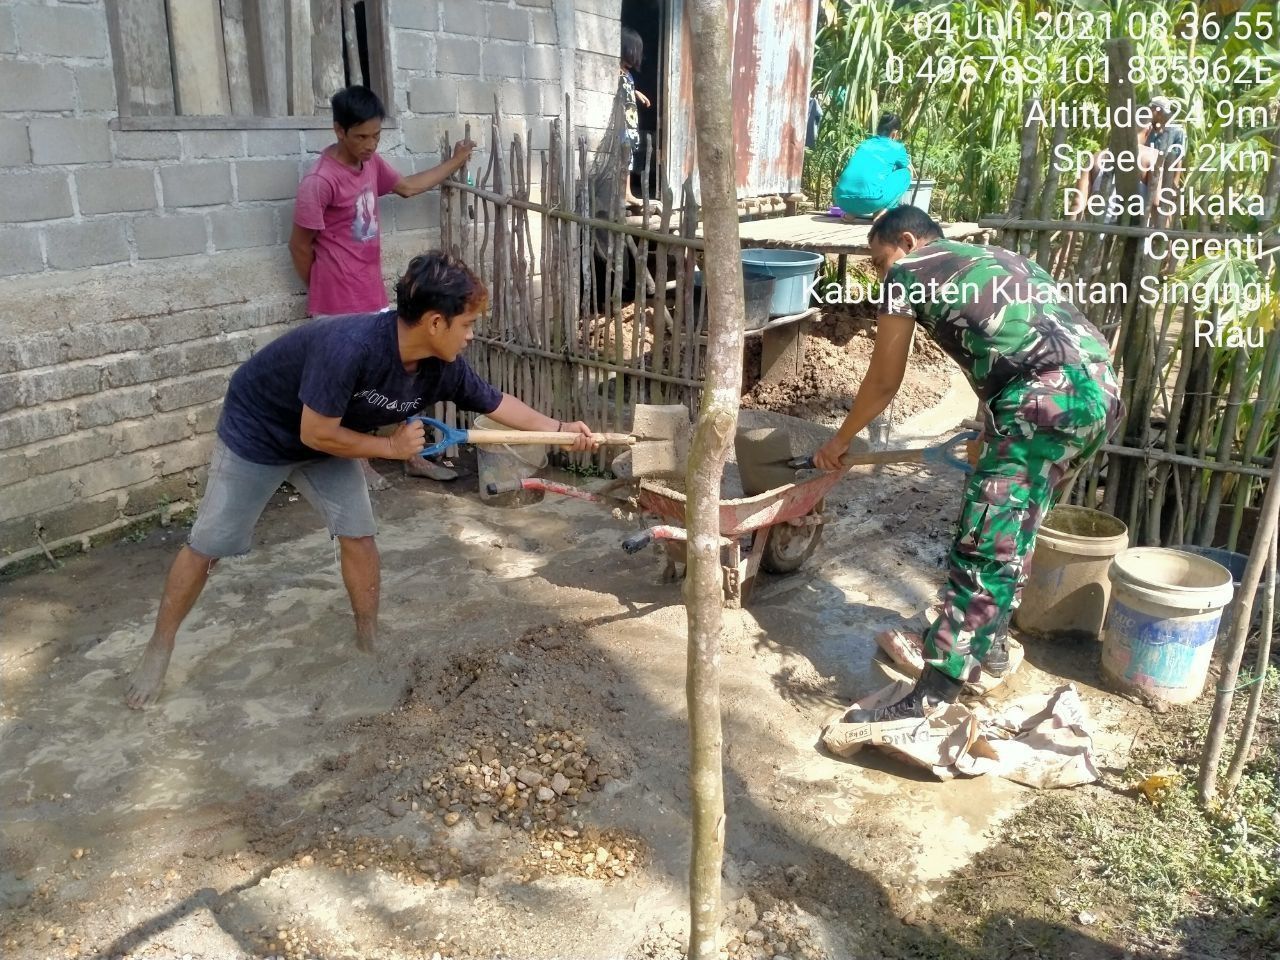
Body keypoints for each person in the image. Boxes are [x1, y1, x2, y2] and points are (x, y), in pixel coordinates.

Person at [124, 253, 596, 709]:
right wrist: (390, 450)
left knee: (359, 534)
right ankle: (160, 646)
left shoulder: (441, 366)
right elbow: (315, 431)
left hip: (332, 438)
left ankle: (367, 638)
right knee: (210, 545)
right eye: (468, 324)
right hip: (261, 432)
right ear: (435, 322)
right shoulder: (349, 346)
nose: (471, 336)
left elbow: (494, 402)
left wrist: (560, 430)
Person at [812, 207, 1122, 722]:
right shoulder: (1000, 257)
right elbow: (1023, 345)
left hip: (1040, 404)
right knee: (1016, 528)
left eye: (880, 260)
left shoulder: (910, 271)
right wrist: (993, 429)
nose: (881, 273)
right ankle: (993, 646)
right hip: (1098, 395)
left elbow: (886, 380)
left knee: (984, 544)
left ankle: (933, 695)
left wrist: (838, 441)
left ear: (907, 242)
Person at [290, 85, 475, 486]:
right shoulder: (319, 182)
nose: (370, 145)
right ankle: (359, 462)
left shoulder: (370, 165)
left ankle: (412, 453)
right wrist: (324, 289)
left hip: (372, 294)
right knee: (352, 387)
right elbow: (300, 246)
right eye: (361, 137)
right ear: (338, 130)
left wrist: (455, 161)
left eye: (376, 136)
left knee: (406, 370)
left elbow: (408, 187)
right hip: (337, 304)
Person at [832, 113, 912, 221]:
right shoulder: (896, 147)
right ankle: (883, 213)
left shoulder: (864, 144)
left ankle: (851, 213)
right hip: (871, 201)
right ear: (894, 133)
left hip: (841, 200)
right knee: (906, 173)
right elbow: (907, 168)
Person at [619, 27, 653, 209]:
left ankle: (628, 193)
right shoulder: (615, 71)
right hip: (621, 123)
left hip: (630, 123)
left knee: (629, 157)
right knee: (623, 158)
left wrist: (636, 92)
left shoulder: (627, 75)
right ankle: (623, 193)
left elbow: (626, 88)